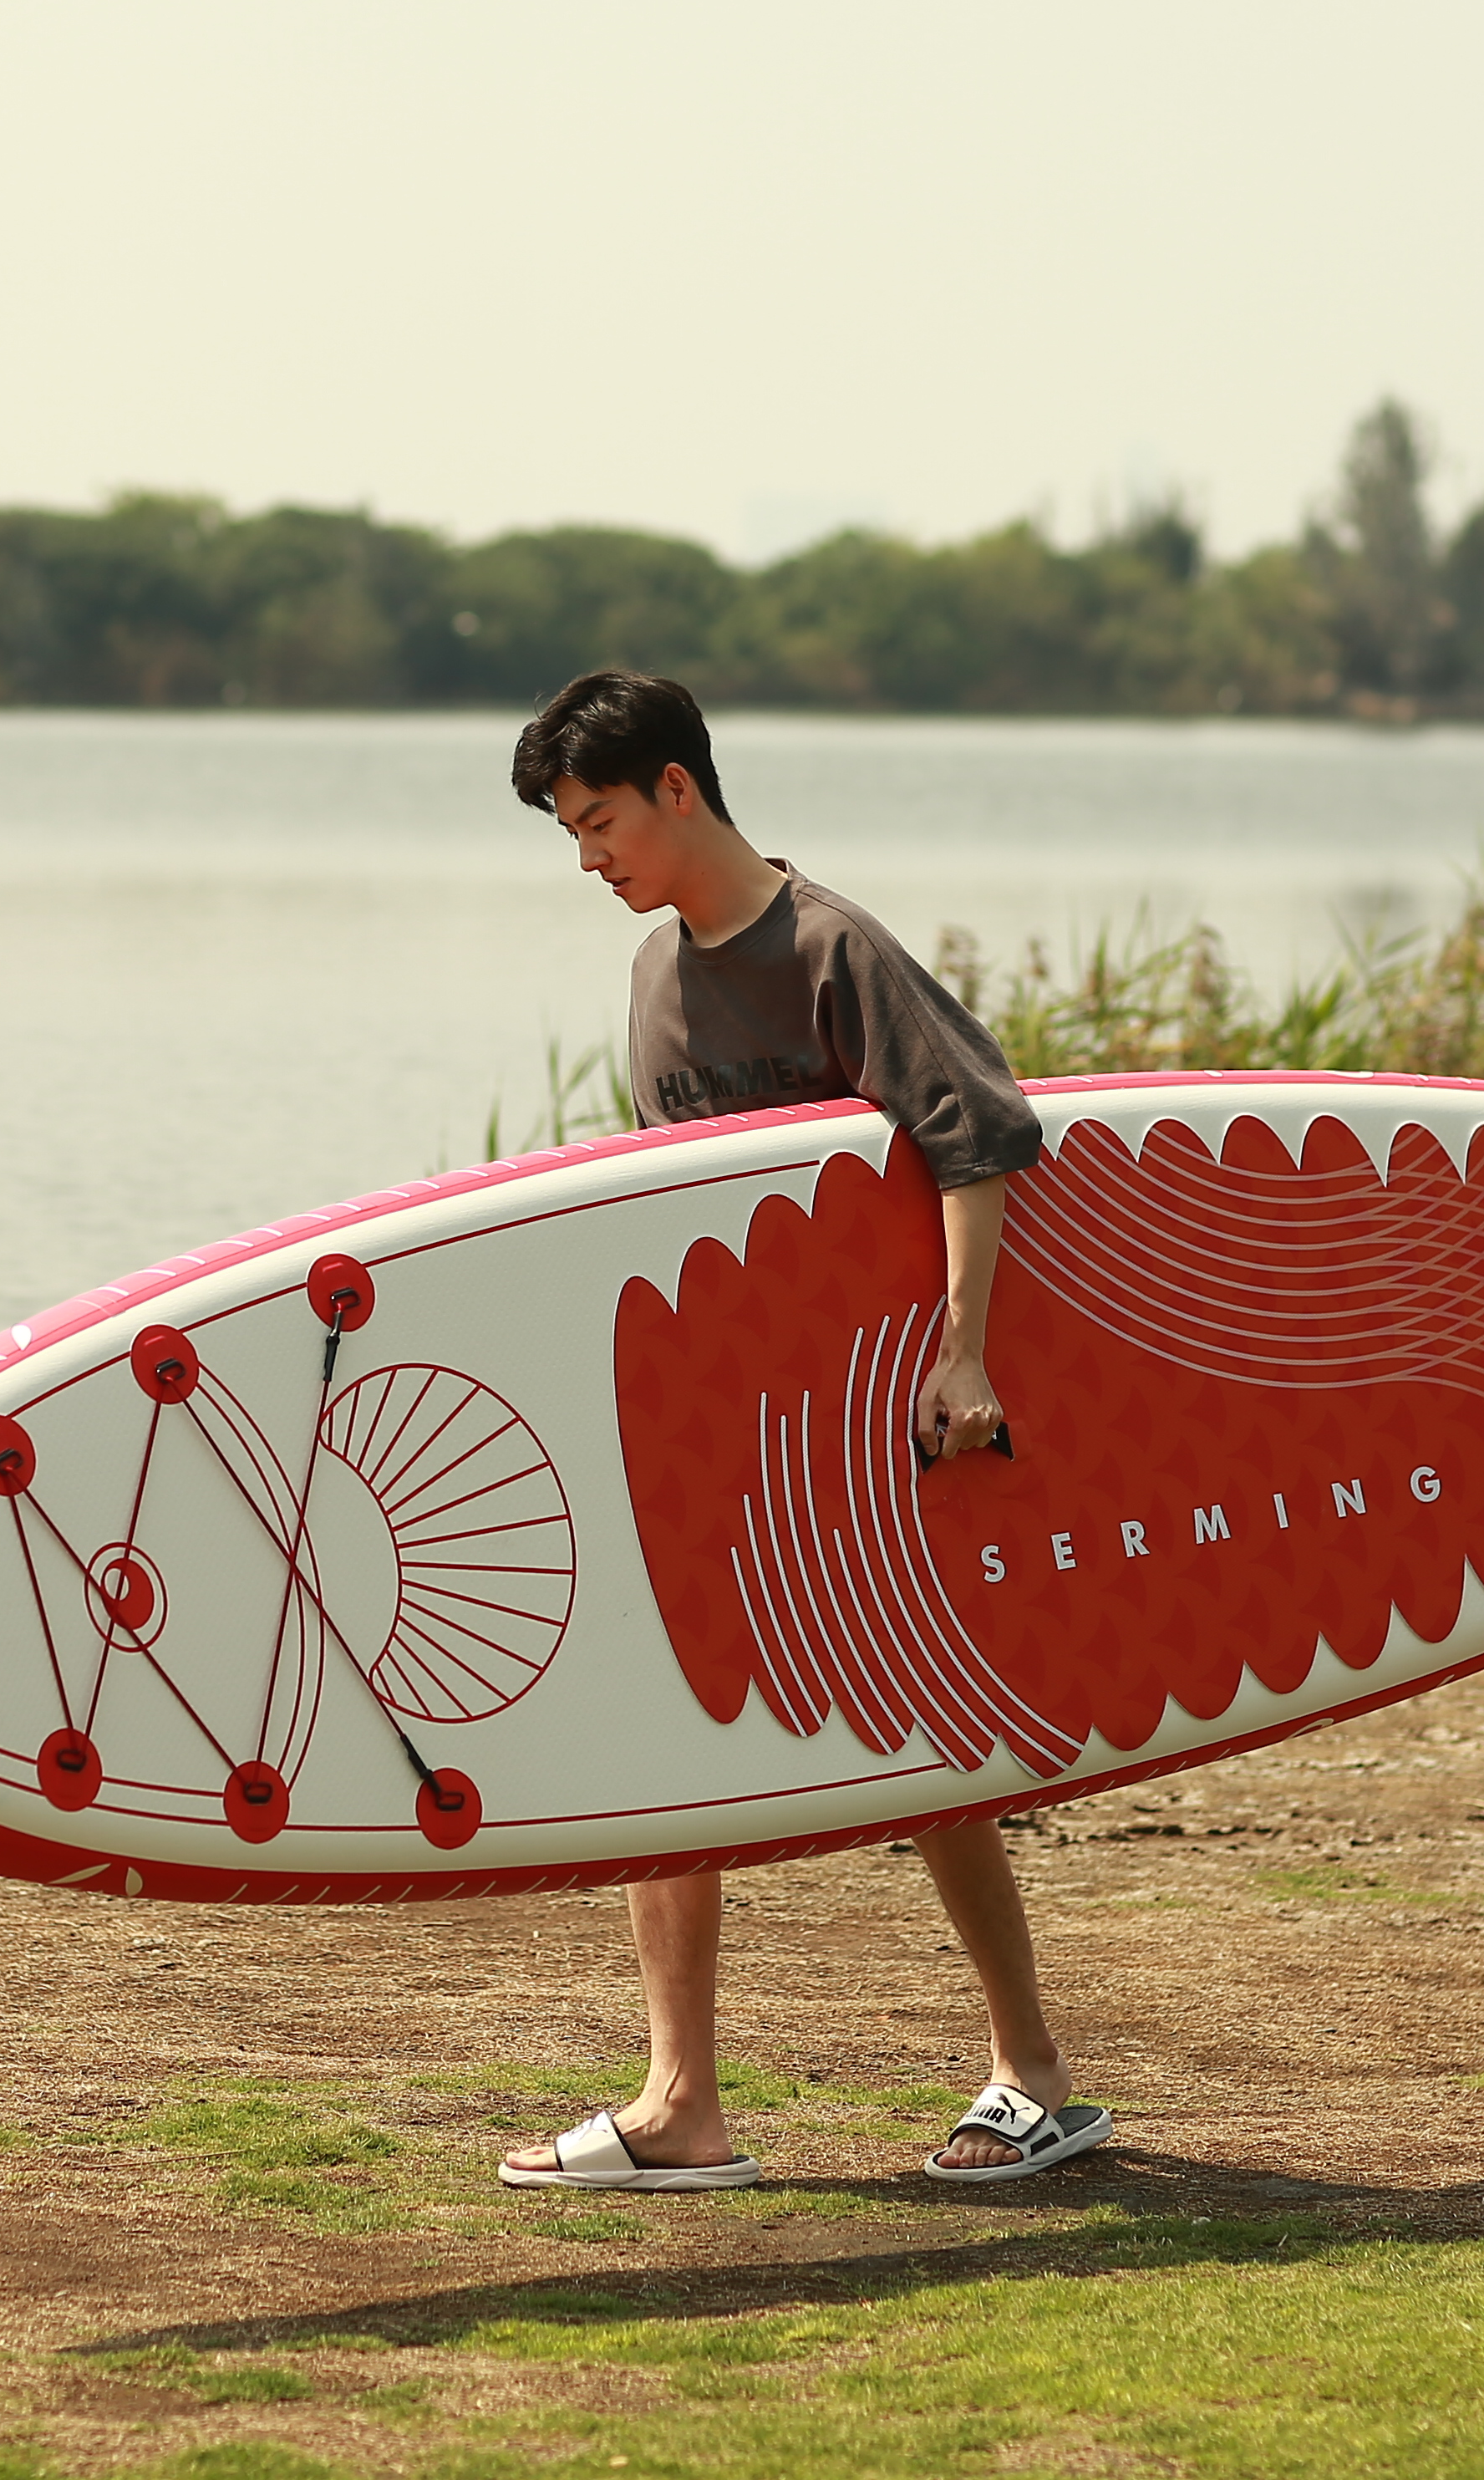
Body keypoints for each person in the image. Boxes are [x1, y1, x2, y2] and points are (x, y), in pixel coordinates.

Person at [491, 665, 1111, 2192]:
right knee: (662, 1736)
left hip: (883, 1412)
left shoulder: (834, 948)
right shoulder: (654, 980)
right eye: (572, 835)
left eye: (599, 823)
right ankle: (678, 2105)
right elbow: (675, 1218)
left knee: (921, 1739)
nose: (590, 860)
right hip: (730, 1425)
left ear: (679, 789)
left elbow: (979, 1139)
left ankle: (1031, 2078)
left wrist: (961, 1359)